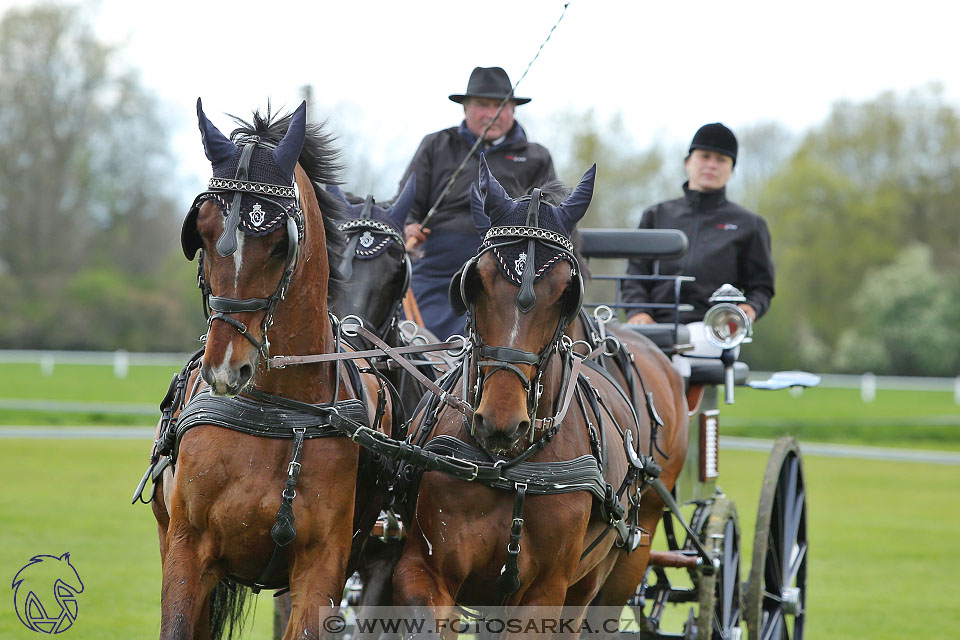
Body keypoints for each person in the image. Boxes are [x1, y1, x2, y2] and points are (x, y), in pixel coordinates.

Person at [400, 66, 556, 339]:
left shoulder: (536, 157)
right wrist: (408, 225)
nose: (491, 114)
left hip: (508, 264)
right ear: (465, 109)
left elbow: (550, 216)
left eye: (500, 106)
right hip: (437, 262)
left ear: (513, 110)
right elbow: (407, 199)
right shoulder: (437, 145)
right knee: (411, 327)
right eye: (482, 105)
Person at [623, 123, 775, 365]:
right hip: (653, 325)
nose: (711, 164)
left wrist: (750, 308)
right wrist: (638, 313)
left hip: (713, 329)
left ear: (731, 170)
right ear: (688, 162)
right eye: (704, 156)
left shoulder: (749, 224)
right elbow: (635, 275)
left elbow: (762, 286)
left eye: (721, 159)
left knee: (679, 354)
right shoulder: (656, 215)